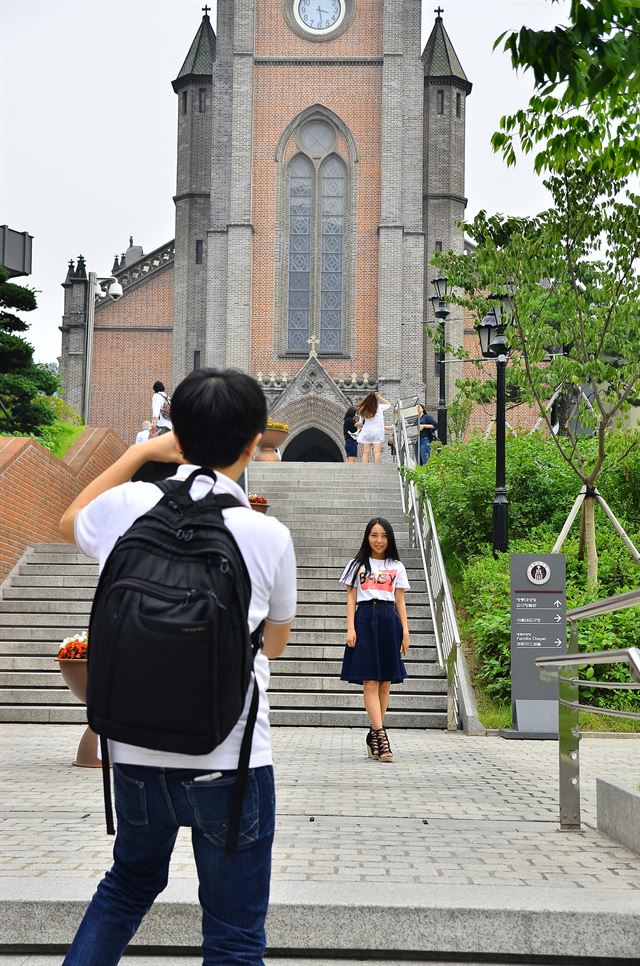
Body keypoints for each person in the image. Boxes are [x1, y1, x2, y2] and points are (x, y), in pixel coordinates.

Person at [58, 368, 297, 965]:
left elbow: (68, 521)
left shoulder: (131, 505)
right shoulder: (267, 535)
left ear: (177, 435)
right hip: (231, 762)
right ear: (253, 443)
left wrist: (142, 451)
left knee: (125, 890)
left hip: (135, 755)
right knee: (234, 936)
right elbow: (273, 647)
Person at [339, 517, 410, 763]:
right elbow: (350, 598)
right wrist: (350, 628)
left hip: (389, 620)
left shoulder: (397, 566)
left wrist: (406, 631)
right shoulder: (356, 564)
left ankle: (373, 734)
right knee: (370, 681)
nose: (378, 540)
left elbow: (400, 600)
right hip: (364, 619)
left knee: (385, 682)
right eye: (374, 535)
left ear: (389, 538)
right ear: (367, 537)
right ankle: (381, 735)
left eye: (383, 536)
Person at [356, 391, 391, 464]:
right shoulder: (380, 407)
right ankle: (377, 468)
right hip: (377, 432)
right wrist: (380, 398)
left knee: (366, 453)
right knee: (376, 452)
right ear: (376, 398)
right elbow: (388, 404)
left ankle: (365, 468)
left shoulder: (363, 409)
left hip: (366, 432)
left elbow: (361, 422)